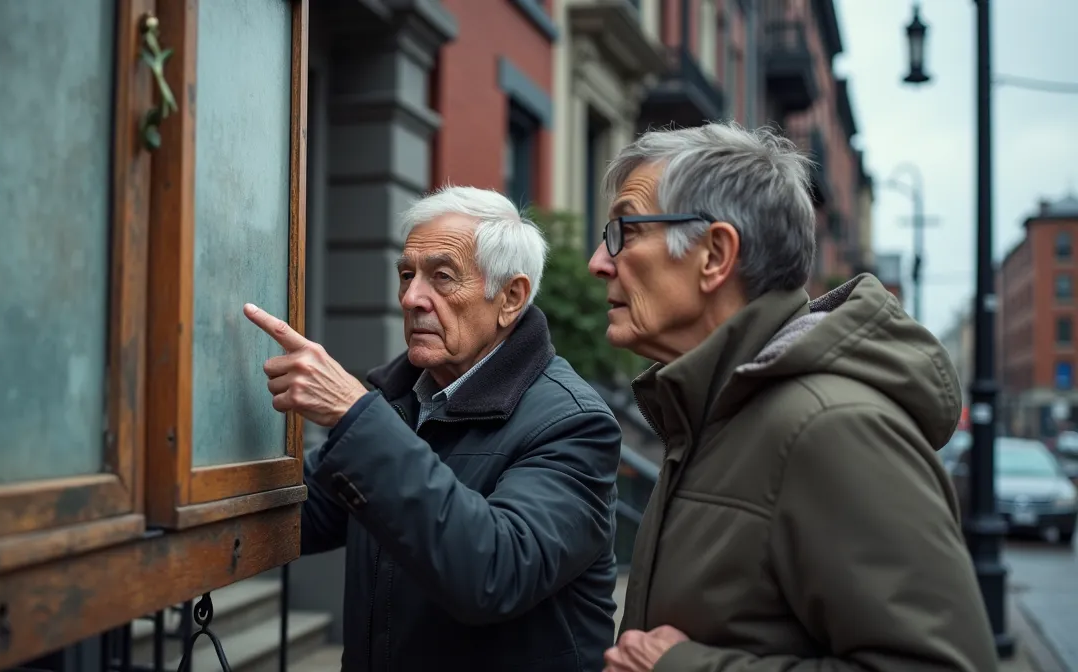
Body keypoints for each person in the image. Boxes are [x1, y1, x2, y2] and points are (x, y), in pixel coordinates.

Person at [590, 123, 998, 672]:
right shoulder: (707, 415)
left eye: (624, 231)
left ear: (714, 254)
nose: (599, 260)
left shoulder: (829, 428)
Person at [243, 186, 623, 671]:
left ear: (510, 298)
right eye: (407, 274)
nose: (411, 297)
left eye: (442, 277)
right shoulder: (401, 403)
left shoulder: (574, 424)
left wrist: (354, 415)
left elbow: (493, 573)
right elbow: (298, 511)